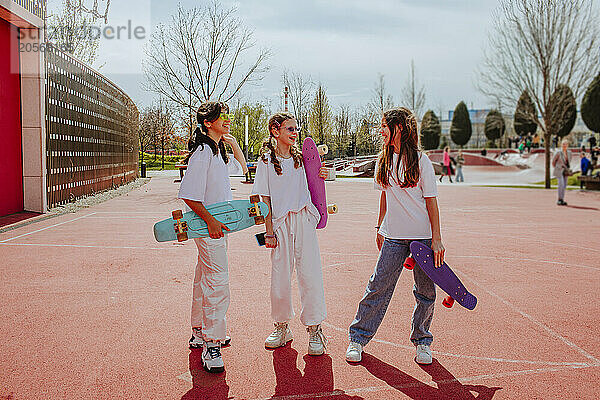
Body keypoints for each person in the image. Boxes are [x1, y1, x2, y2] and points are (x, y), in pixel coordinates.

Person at [346, 107, 444, 365]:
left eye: (384, 126)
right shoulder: (385, 159)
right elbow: (384, 195)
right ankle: (357, 338)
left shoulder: (421, 161)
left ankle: (422, 341)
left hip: (422, 239)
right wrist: (379, 227)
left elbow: (432, 202)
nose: (380, 131)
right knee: (377, 286)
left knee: (425, 292)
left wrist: (437, 239)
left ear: (398, 127)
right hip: (394, 237)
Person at [252, 112, 329, 356]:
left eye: (296, 129)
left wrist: (325, 174)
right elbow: (263, 198)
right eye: (289, 129)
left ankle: (315, 329)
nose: (295, 133)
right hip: (280, 224)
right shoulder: (266, 160)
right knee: (280, 278)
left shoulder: (301, 158)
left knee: (311, 274)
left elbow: (317, 184)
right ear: (275, 131)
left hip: (304, 220)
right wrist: (269, 231)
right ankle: (282, 327)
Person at [178, 101, 247, 373]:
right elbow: (189, 195)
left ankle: (199, 331)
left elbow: (242, 170)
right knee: (218, 282)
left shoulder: (216, 151)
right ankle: (212, 343)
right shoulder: (203, 152)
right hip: (209, 227)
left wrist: (232, 142)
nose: (227, 119)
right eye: (223, 117)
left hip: (215, 226)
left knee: (204, 277)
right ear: (208, 122)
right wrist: (211, 222)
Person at [552, 138, 572, 206]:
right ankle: (559, 199)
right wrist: (557, 167)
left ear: (567, 145)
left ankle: (562, 199)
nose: (564, 145)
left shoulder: (569, 153)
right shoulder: (558, 152)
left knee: (564, 185)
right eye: (563, 144)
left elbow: (569, 161)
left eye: (566, 144)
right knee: (561, 184)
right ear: (561, 144)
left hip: (565, 170)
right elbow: (553, 162)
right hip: (559, 170)